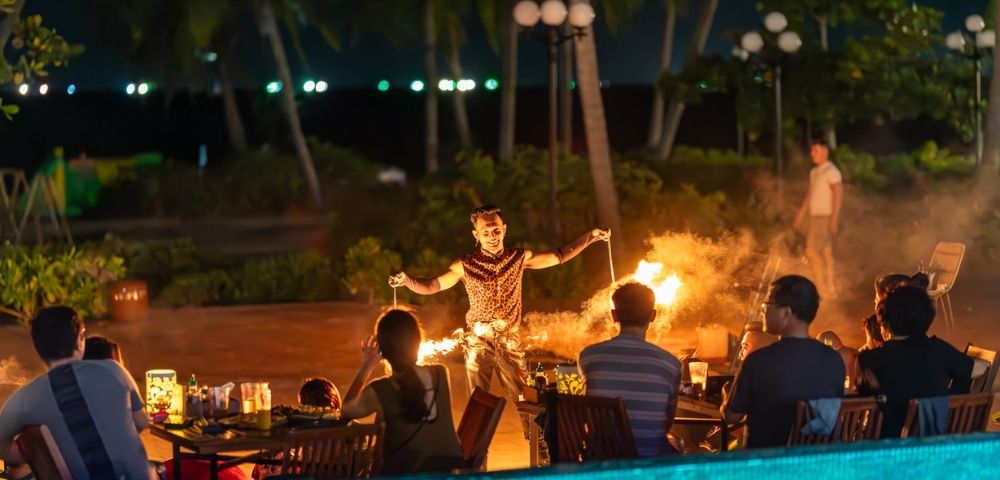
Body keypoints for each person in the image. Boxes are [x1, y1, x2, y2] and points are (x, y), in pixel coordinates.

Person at [388, 205, 609, 426]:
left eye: (496, 230)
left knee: (528, 400)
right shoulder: (465, 265)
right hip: (477, 343)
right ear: (476, 235)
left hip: (509, 342)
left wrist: (590, 237)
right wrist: (407, 280)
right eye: (485, 232)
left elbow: (559, 255)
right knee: (477, 404)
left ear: (504, 229)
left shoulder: (518, 258)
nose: (491, 236)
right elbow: (434, 285)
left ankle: (540, 451)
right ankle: (476, 458)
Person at [0, 306, 156, 479]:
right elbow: (142, 422)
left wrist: (26, 455)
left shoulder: (26, 398)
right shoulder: (114, 370)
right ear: (80, 340)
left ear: (38, 348)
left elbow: (3, 448)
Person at [721, 275, 845, 448]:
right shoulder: (834, 360)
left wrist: (728, 393)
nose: (763, 310)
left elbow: (731, 417)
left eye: (768, 304)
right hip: (816, 466)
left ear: (786, 312)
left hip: (766, 465)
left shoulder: (758, 362)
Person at [342, 309, 464, 475]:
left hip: (405, 475)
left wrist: (367, 365)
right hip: (451, 472)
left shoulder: (379, 390)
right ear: (418, 341)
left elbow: (345, 411)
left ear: (382, 350)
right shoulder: (441, 374)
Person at [577, 283, 682, 457]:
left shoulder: (588, 356)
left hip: (602, 463)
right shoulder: (671, 364)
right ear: (652, 316)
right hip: (648, 464)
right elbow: (666, 424)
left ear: (614, 316)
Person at [857, 286, 973, 438]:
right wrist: (945, 401)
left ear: (884, 319)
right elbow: (969, 370)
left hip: (885, 448)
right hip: (934, 444)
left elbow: (860, 402)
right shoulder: (939, 350)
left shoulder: (869, 359)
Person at [252, 377, 344, 480]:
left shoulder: (311, 427)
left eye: (304, 405)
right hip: (334, 474)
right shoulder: (350, 427)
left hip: (306, 475)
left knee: (267, 460)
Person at [794, 140, 843, 296]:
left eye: (815, 150)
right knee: (827, 253)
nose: (812, 154)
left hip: (824, 217)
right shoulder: (814, 172)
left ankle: (821, 288)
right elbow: (810, 194)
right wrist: (800, 215)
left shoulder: (832, 171)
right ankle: (830, 287)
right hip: (815, 217)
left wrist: (834, 218)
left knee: (811, 251)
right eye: (811, 151)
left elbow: (838, 195)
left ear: (825, 151)